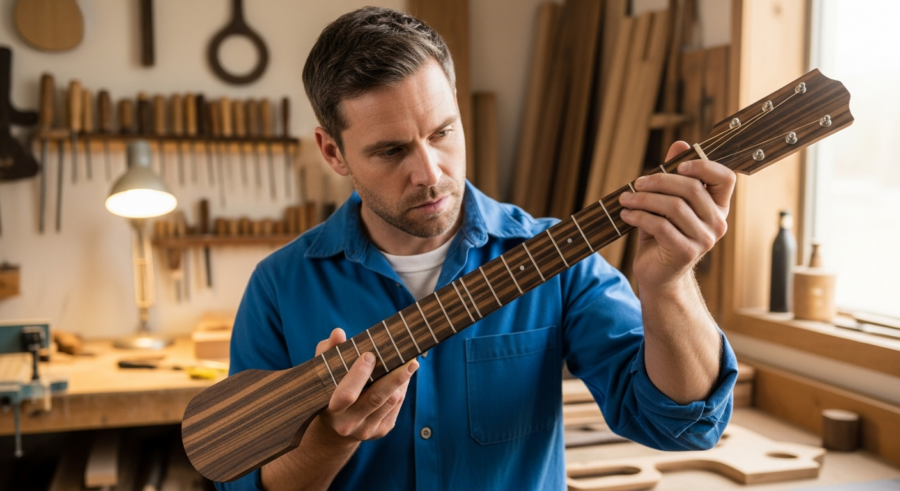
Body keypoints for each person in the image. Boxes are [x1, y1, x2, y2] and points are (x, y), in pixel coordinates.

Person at [217, 6, 738, 491]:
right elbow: (241, 480)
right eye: (391, 151)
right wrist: (330, 441)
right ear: (333, 152)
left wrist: (670, 285)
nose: (429, 173)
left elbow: (683, 427)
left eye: (442, 132)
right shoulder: (279, 286)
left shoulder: (559, 261)